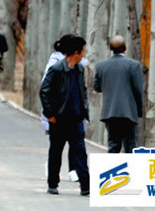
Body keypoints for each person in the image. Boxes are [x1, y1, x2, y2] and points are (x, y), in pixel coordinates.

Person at [40, 34, 90, 196]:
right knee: (56, 152)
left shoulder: (80, 69)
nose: (83, 54)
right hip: (59, 119)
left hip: (76, 119)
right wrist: (50, 114)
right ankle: (53, 183)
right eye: (82, 51)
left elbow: (83, 90)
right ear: (75, 52)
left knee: (80, 153)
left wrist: (84, 110)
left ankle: (86, 185)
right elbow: (44, 91)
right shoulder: (56, 69)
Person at [93, 35, 144, 153]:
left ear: (111, 48)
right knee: (130, 146)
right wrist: (139, 111)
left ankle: (111, 170)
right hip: (128, 112)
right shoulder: (133, 65)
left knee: (113, 145)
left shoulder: (101, 65)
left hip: (109, 112)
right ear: (124, 48)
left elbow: (96, 87)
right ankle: (132, 171)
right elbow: (138, 90)